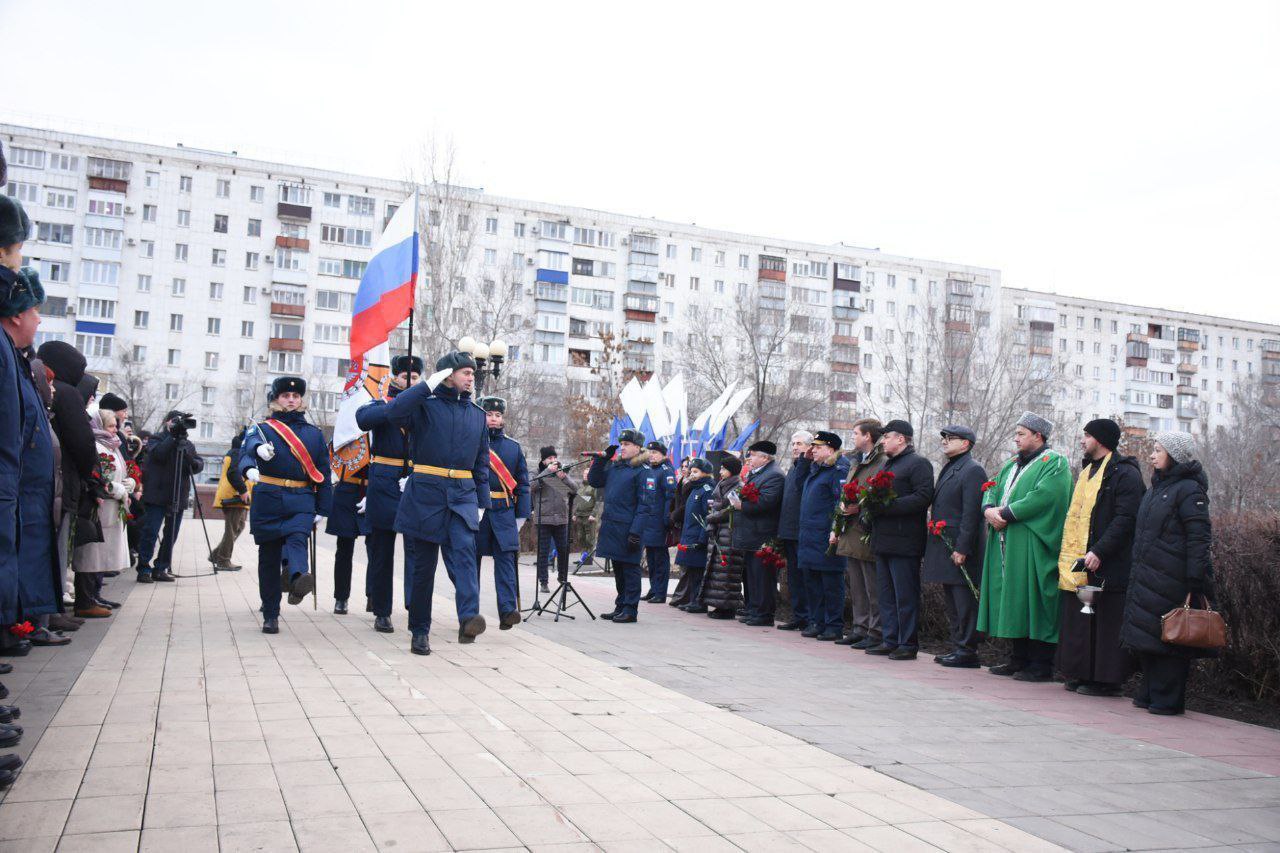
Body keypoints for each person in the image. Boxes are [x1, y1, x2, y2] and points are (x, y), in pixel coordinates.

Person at [366, 351, 489, 654]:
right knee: (423, 568)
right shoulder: (424, 406)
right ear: (447, 375)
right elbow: (393, 414)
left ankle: (469, 617)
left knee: (464, 557)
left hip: (462, 495)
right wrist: (424, 387)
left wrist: (482, 502)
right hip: (425, 493)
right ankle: (420, 630)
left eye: (472, 373)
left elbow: (481, 463)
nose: (471, 377)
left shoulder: (477, 414)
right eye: (464, 372)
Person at [1121, 432, 1212, 716]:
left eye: (1158, 450)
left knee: (1171, 638)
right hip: (1149, 574)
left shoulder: (1189, 490)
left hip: (1174, 577)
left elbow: (1199, 536)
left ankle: (1168, 698)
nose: (1152, 454)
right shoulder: (1157, 487)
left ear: (1174, 454)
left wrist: (1195, 577)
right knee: (1149, 636)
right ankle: (1150, 691)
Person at [1, 225, 61, 653]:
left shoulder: (17, 358)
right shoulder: (8, 355)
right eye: (36, 311)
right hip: (13, 492)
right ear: (17, 313)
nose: (39, 320)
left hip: (23, 493)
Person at [979, 412, 1074, 681]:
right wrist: (988, 510)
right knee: (1014, 600)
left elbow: (1046, 496)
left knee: (1035, 601)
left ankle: (1041, 664)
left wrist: (1005, 514)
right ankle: (1017, 658)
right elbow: (991, 486)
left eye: (1021, 433)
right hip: (1006, 541)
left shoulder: (1054, 463)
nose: (1016, 438)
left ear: (1038, 436)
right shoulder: (1011, 463)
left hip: (1033, 543)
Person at [1056, 419, 1145, 696]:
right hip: (1082, 560)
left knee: (1106, 622)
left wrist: (1099, 550)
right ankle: (1082, 673)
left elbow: (1125, 519)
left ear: (1101, 439)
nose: (1082, 440)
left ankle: (1107, 680)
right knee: (1082, 619)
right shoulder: (1087, 471)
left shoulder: (1125, 474)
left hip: (1110, 563)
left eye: (1086, 435)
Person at [239, 377, 333, 634]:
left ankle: (298, 578)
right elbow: (245, 452)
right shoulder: (262, 429)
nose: (291, 399)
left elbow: (324, 472)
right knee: (268, 558)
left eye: (295, 396)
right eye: (285, 396)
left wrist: (323, 509)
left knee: (297, 539)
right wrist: (254, 460)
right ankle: (271, 613)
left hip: (301, 499)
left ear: (301, 400)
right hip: (268, 496)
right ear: (276, 399)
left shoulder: (313, 434)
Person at [356, 354, 421, 632]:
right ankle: (382, 609)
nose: (410, 380)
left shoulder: (424, 406)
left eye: (415, 377)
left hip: (415, 480)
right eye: (405, 376)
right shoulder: (382, 404)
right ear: (395, 377)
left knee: (416, 549)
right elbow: (363, 419)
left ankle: (414, 604)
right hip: (384, 481)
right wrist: (395, 406)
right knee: (382, 548)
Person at [35, 341, 99, 609]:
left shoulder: (47, 391)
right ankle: (54, 608)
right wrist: (92, 476)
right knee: (60, 547)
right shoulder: (68, 394)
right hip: (66, 481)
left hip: (48, 479)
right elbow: (82, 443)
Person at [866, 420, 935, 661]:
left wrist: (888, 506)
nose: (883, 441)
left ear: (901, 439)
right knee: (886, 594)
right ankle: (890, 639)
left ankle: (907, 643)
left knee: (905, 595)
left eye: (886, 437)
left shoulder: (918, 464)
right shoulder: (887, 465)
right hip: (883, 539)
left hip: (905, 541)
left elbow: (923, 496)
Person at [922, 425, 988, 668]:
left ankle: (967, 650)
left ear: (966, 444)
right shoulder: (952, 467)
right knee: (953, 600)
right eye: (944, 438)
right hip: (945, 545)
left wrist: (962, 548)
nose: (945, 442)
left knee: (964, 601)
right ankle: (958, 646)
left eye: (951, 438)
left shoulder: (973, 470)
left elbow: (971, 514)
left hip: (961, 548)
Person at [71, 408, 134, 619]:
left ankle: (94, 595)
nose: (114, 430)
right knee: (92, 555)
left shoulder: (112, 445)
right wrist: (118, 489)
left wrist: (129, 483)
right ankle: (85, 600)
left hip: (112, 507)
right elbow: (99, 477)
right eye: (110, 426)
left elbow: (119, 472)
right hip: (100, 507)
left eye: (115, 426)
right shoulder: (97, 445)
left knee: (102, 556)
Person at [475, 396, 530, 629]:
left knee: (506, 563)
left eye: (498, 415)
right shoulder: (471, 442)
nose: (494, 419)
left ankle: (507, 611)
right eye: (488, 414)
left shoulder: (513, 447)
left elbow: (523, 484)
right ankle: (468, 612)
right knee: (470, 563)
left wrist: (521, 516)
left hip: (504, 512)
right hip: (477, 511)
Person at [834, 419, 887, 649]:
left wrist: (860, 507)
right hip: (851, 529)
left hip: (866, 530)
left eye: (856, 433)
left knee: (872, 586)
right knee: (856, 584)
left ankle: (875, 631)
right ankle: (860, 627)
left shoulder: (881, 462)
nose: (853, 437)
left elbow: (879, 495)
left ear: (868, 436)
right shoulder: (858, 461)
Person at [587, 429, 650, 623]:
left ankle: (631, 609)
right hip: (612, 525)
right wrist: (601, 460)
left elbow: (645, 505)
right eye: (621, 444)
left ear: (638, 448)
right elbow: (595, 481)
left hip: (628, 528)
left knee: (630, 569)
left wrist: (636, 532)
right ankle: (620, 605)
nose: (622, 447)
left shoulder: (642, 471)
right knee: (618, 569)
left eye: (627, 444)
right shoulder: (616, 467)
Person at [137, 410, 204, 582]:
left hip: (178, 494)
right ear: (167, 422)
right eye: (174, 421)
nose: (177, 424)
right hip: (157, 494)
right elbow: (158, 454)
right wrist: (172, 437)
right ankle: (144, 568)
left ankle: (161, 567)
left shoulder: (187, 444)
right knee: (150, 532)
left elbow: (196, 465)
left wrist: (187, 453)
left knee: (171, 534)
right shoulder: (157, 439)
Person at [800, 432, 851, 640]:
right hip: (810, 535)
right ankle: (817, 621)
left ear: (830, 449)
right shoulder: (816, 469)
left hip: (825, 535)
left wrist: (835, 529)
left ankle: (833, 625)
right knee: (813, 582)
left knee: (830, 583)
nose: (813, 450)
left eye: (818, 447)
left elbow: (839, 503)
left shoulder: (838, 469)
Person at [729, 441, 786, 626]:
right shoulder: (759, 473)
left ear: (764, 457)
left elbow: (767, 502)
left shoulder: (774, 475)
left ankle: (763, 613)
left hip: (763, 534)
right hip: (751, 534)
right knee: (752, 576)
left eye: (753, 455)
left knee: (763, 577)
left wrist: (741, 505)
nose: (750, 459)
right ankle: (753, 609)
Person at [774, 431, 813, 631]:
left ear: (810, 447)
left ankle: (808, 617)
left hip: (802, 530)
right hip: (788, 530)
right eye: (793, 443)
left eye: (799, 443)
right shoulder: (794, 467)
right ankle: (799, 616)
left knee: (805, 577)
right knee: (794, 578)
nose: (795, 447)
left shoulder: (810, 467)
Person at [701, 455, 744, 619]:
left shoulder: (738, 486)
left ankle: (727, 607)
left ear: (731, 471)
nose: (720, 471)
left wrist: (712, 518)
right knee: (717, 572)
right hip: (718, 532)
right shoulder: (721, 485)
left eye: (724, 469)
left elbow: (731, 510)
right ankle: (718, 605)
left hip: (729, 533)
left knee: (727, 573)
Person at [326, 453, 369, 615]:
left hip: (372, 489)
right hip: (346, 489)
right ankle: (341, 597)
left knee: (375, 547)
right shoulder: (346, 433)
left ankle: (373, 595)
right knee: (344, 549)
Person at [531, 446, 578, 593]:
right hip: (544, 518)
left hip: (561, 518)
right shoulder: (538, 472)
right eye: (549, 458)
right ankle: (543, 582)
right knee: (543, 552)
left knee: (563, 550)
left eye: (554, 458)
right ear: (543, 460)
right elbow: (532, 485)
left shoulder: (560, 474)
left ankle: (562, 578)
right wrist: (547, 471)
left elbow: (574, 489)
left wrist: (564, 477)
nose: (553, 460)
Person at [673, 458, 716, 612]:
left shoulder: (707, 489)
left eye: (695, 472)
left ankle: (699, 602)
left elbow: (707, 516)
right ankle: (692, 600)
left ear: (706, 473)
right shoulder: (695, 488)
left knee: (698, 571)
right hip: (689, 534)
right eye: (691, 471)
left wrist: (702, 538)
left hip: (698, 537)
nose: (692, 474)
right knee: (691, 570)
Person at [639, 441, 677, 603]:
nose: (651, 455)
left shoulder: (665, 471)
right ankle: (653, 589)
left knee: (660, 558)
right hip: (648, 520)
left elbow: (671, 497)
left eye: (655, 452)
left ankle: (660, 593)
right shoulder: (649, 470)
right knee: (651, 558)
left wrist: (667, 518)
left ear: (663, 454)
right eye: (650, 452)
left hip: (659, 521)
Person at [210, 430, 252, 572]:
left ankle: (216, 554)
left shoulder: (236, 451)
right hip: (234, 496)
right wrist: (242, 490)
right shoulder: (239, 452)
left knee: (238, 527)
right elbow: (233, 472)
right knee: (232, 529)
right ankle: (223, 560)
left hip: (235, 496)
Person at [572, 466, 600, 553]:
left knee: (589, 538)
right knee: (581, 537)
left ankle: (588, 557)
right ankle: (583, 556)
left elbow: (598, 501)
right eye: (584, 474)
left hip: (589, 516)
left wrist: (593, 514)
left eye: (587, 474)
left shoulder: (594, 486)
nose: (585, 475)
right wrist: (574, 514)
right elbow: (577, 501)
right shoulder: (580, 487)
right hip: (580, 515)